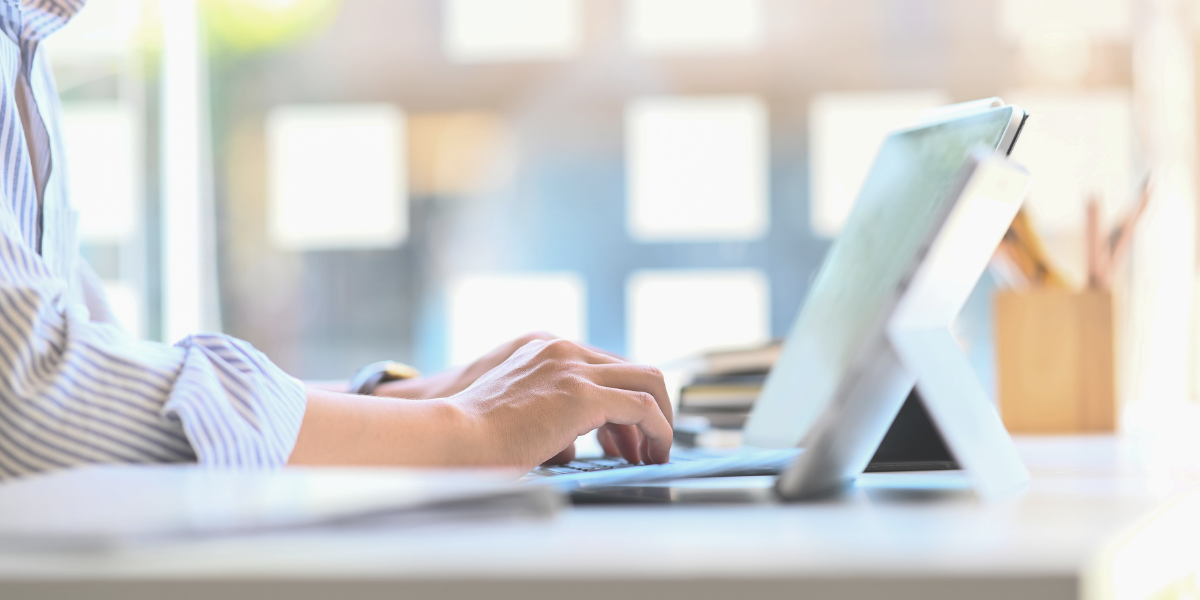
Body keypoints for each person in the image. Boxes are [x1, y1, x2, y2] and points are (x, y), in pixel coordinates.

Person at [0, 1, 671, 479]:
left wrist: (392, 403)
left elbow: (103, 366)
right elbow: (35, 397)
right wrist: (464, 433)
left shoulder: (23, 42)